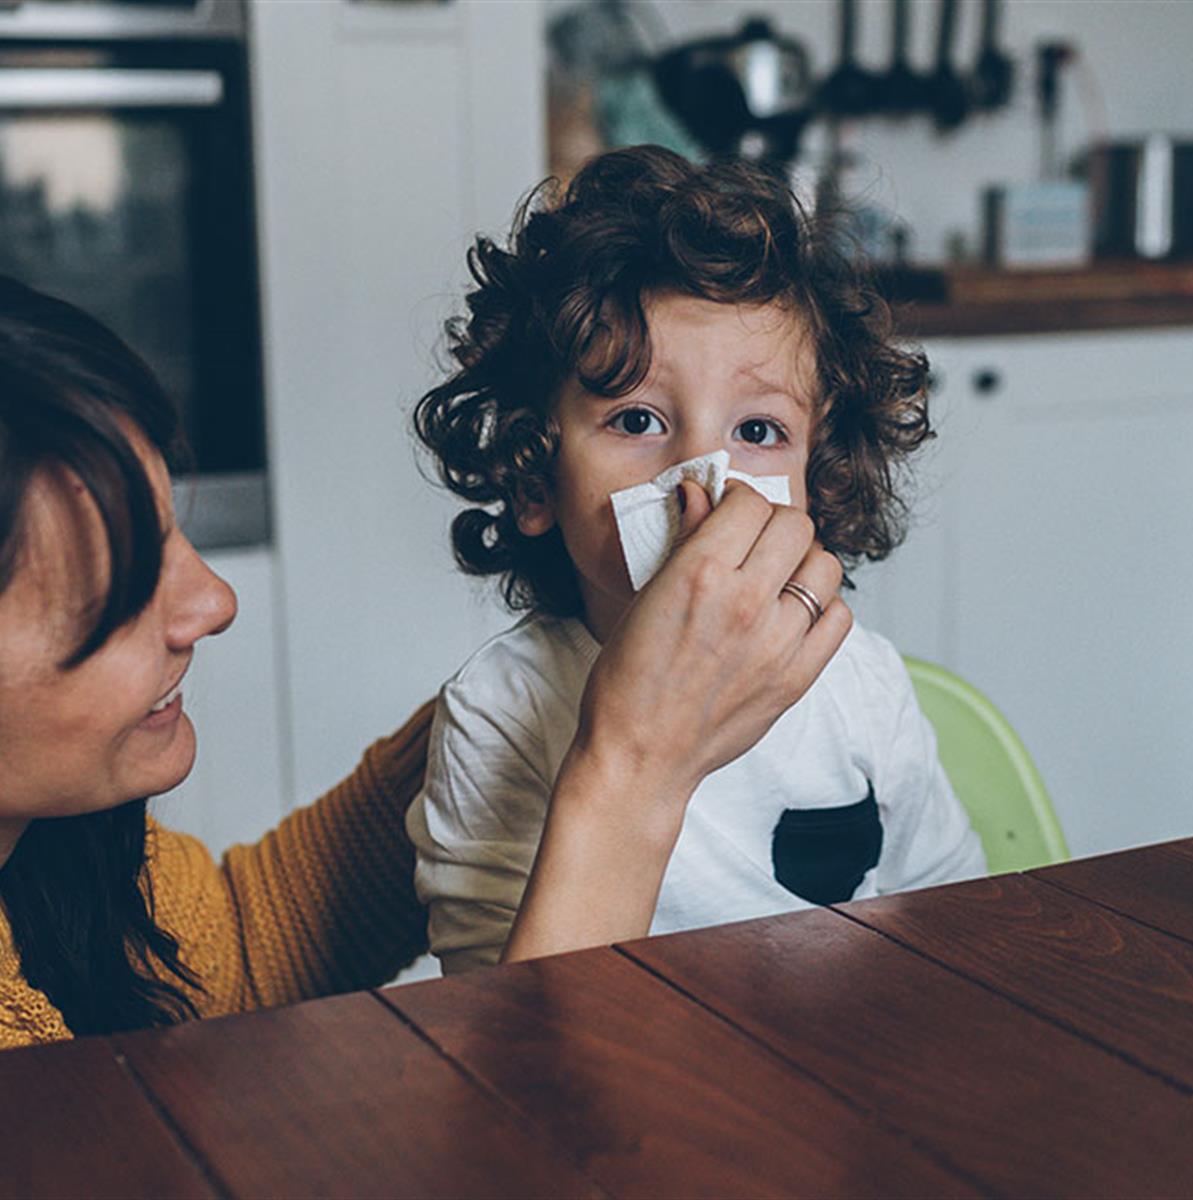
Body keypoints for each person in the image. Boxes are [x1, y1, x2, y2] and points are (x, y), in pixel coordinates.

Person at [0, 274, 846, 1049]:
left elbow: (237, 947)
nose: (210, 602)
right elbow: (533, 1149)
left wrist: (534, 713)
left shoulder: (49, 863)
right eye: (111, 579)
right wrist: (633, 760)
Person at [407, 145, 986, 974]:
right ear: (536, 479)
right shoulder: (498, 713)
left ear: (815, 488)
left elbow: (950, 927)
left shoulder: (863, 686)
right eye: (637, 420)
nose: (701, 478)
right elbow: (498, 1028)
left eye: (757, 432)